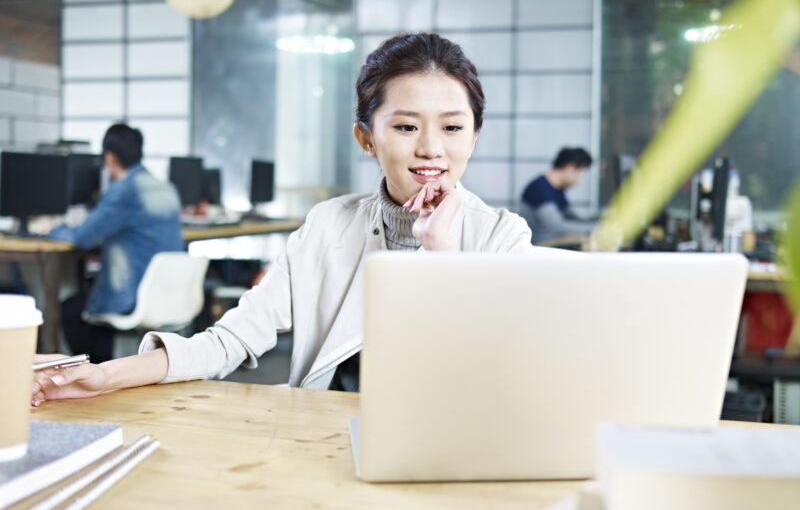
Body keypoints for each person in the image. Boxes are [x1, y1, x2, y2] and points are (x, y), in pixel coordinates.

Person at [31, 32, 536, 404]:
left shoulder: (503, 236)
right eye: (405, 126)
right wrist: (105, 375)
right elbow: (233, 338)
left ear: (473, 136)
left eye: (452, 127)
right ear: (366, 139)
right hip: (321, 438)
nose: (431, 148)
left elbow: (496, 381)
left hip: (447, 451)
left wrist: (441, 252)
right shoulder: (328, 225)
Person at [47, 124, 184, 363]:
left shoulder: (124, 191)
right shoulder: (168, 188)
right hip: (169, 293)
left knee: (70, 310)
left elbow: (82, 237)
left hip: (131, 296)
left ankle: (101, 373)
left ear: (109, 156)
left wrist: (53, 228)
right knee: (86, 303)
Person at [521, 147, 595, 245]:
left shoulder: (556, 189)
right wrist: (597, 228)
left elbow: (572, 216)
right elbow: (557, 226)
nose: (579, 181)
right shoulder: (539, 188)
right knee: (585, 240)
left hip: (552, 240)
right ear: (570, 167)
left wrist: (597, 222)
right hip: (539, 244)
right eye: (580, 174)